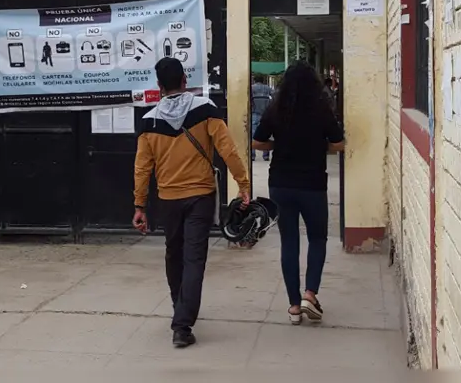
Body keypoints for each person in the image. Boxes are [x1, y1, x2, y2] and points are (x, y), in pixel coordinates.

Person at [133, 57, 251, 348]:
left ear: (159, 86)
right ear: (185, 80)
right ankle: (182, 324)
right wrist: (243, 184)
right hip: (200, 197)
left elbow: (142, 167)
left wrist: (139, 206)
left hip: (168, 199)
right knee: (194, 257)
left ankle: (180, 309)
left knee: (173, 253)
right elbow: (228, 151)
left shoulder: (150, 121)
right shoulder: (206, 111)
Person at [252, 60, 344, 325]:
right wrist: (318, 147)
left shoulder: (275, 109)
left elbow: (258, 142)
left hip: (280, 182)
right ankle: (310, 294)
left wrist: (279, 144)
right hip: (313, 184)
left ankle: (293, 305)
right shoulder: (321, 110)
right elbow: (338, 144)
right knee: (317, 238)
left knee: (289, 242)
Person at [251, 73, 273, 161]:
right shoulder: (268, 88)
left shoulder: (252, 88)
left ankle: (252, 155)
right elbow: (274, 96)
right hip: (265, 113)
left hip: (255, 113)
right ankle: (266, 155)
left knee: (253, 135)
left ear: (255, 80)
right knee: (266, 134)